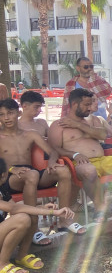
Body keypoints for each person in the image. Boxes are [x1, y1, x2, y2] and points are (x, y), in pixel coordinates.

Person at [49, 88, 112, 217]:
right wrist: (74, 154)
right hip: (80, 164)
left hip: (103, 160)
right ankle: (100, 208)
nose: (90, 108)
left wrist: (77, 125)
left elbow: (102, 134)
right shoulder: (59, 124)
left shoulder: (92, 120)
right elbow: (55, 148)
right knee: (89, 170)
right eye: (86, 104)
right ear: (75, 104)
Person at [0, 99, 81, 240]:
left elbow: (52, 151)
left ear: (18, 113)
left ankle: (64, 219)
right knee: (32, 175)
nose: (6, 118)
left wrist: (51, 162)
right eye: (1, 114)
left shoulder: (30, 134)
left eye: (10, 113)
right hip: (9, 177)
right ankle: (34, 227)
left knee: (62, 170)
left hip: (32, 174)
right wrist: (12, 169)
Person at [0, 157, 76, 273]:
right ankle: (2, 264)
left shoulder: (2, 188)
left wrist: (41, 207)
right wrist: (52, 212)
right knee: (22, 219)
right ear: (4, 175)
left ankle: (22, 256)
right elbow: (14, 209)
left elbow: (16, 206)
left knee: (29, 214)